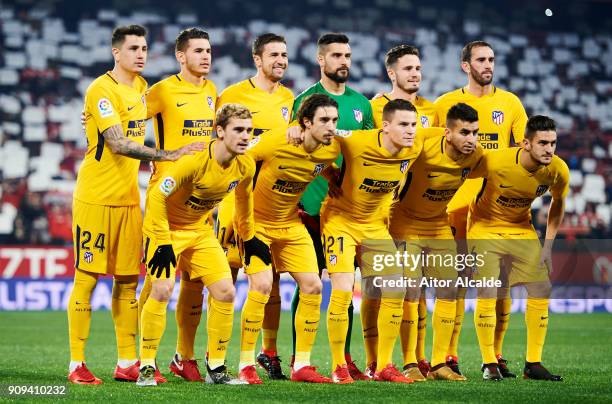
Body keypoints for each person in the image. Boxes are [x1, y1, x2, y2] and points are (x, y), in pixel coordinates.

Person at [67, 24, 202, 385]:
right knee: (87, 278)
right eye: (133, 48)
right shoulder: (101, 88)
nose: (141, 53)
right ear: (116, 52)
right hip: (95, 197)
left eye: (144, 47)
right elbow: (118, 143)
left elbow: (129, 121)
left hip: (129, 199)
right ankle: (76, 363)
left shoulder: (143, 88)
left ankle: (128, 362)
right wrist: (168, 154)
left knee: (127, 281)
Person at [137, 104, 271, 386]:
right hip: (165, 229)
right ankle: (147, 366)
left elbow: (244, 204)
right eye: (238, 130)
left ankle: (217, 369)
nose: (246, 136)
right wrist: (161, 242)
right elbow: (158, 198)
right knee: (162, 289)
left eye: (249, 130)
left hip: (199, 230)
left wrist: (249, 238)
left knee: (224, 292)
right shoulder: (194, 160)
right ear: (220, 131)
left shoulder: (245, 165)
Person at [433, 40, 528, 376]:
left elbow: (522, 153)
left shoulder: (511, 104)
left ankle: (496, 357)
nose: (488, 65)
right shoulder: (445, 103)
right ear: (465, 65)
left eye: (491, 59)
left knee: (498, 285)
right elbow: (432, 148)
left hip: (492, 211)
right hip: (454, 207)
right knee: (456, 282)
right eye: (481, 59)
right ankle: (449, 355)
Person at [133, 27, 218, 382]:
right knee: (160, 284)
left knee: (194, 284)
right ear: (181, 56)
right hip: (165, 200)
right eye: (198, 51)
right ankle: (137, 356)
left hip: (199, 206)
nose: (206, 56)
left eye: (209, 50)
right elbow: (129, 118)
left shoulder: (212, 91)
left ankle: (184, 357)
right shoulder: (164, 90)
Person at [237, 94, 341, 384]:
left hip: (290, 224)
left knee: (313, 285)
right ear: (305, 122)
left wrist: (333, 179)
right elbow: (239, 160)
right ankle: (245, 364)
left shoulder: (330, 149)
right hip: (257, 223)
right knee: (261, 285)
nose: (331, 126)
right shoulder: (275, 141)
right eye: (324, 120)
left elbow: (327, 165)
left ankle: (302, 365)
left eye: (334, 120)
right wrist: (242, 226)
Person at [290, 32, 374, 380]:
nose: (344, 61)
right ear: (321, 60)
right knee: (308, 282)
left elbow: (368, 151)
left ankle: (345, 356)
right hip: (310, 205)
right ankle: (299, 356)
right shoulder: (304, 101)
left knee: (344, 284)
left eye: (348, 55)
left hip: (347, 209)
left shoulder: (362, 104)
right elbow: (292, 149)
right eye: (337, 55)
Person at [322, 99, 421, 384]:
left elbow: (445, 134)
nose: (411, 131)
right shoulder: (357, 141)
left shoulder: (416, 144)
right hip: (340, 221)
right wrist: (330, 172)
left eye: (413, 124)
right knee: (342, 291)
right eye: (403, 124)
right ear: (385, 125)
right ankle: (339, 365)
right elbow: (321, 135)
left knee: (395, 288)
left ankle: (383, 366)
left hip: (375, 226)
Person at [215, 33, 294, 379]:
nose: (280, 60)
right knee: (224, 279)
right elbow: (214, 142)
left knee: (270, 281)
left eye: (284, 55)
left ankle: (265, 353)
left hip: (270, 206)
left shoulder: (289, 99)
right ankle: (210, 356)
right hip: (234, 199)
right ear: (257, 59)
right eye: (274, 54)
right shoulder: (231, 96)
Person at [467, 115, 567, 382]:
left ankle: (533, 363)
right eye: (543, 142)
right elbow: (459, 174)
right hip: (484, 227)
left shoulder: (557, 169)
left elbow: (558, 203)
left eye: (553, 143)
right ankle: (489, 362)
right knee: (489, 290)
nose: (549, 149)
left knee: (541, 287)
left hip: (521, 229)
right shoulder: (495, 161)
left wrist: (548, 245)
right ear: (525, 143)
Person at [387, 103, 482, 382]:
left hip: (438, 225)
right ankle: (409, 363)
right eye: (464, 132)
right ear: (447, 132)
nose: (471, 139)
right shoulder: (422, 145)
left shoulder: (477, 156)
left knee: (449, 290)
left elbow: (503, 171)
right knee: (411, 292)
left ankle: (440, 363)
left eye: (475, 133)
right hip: (405, 222)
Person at [367, 44, 437, 377]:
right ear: (392, 73)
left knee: (416, 289)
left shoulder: (432, 111)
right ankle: (378, 359)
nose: (415, 74)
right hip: (384, 213)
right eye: (408, 68)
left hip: (418, 215)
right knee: (378, 287)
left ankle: (416, 357)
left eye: (419, 68)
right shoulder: (374, 108)